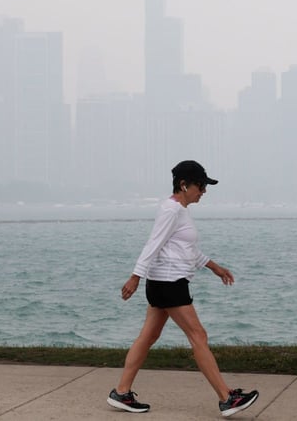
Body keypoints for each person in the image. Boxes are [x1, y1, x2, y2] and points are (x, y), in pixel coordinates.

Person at [107, 160, 259, 417]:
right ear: (184, 185)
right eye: (201, 185)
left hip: (163, 282)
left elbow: (186, 250)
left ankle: (121, 393)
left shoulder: (179, 210)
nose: (204, 191)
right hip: (169, 283)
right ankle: (226, 398)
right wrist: (135, 277)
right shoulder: (172, 211)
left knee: (148, 337)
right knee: (198, 335)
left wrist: (214, 267)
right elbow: (153, 244)